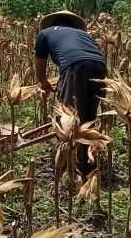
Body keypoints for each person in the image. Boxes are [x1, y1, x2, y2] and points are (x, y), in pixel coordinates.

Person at [33, 10, 107, 178]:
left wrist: (44, 83)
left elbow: (40, 65)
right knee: (88, 117)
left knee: (68, 116)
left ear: (53, 23)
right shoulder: (83, 34)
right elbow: (86, 56)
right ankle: (88, 164)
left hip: (74, 66)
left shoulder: (44, 33)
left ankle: (69, 168)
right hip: (100, 66)